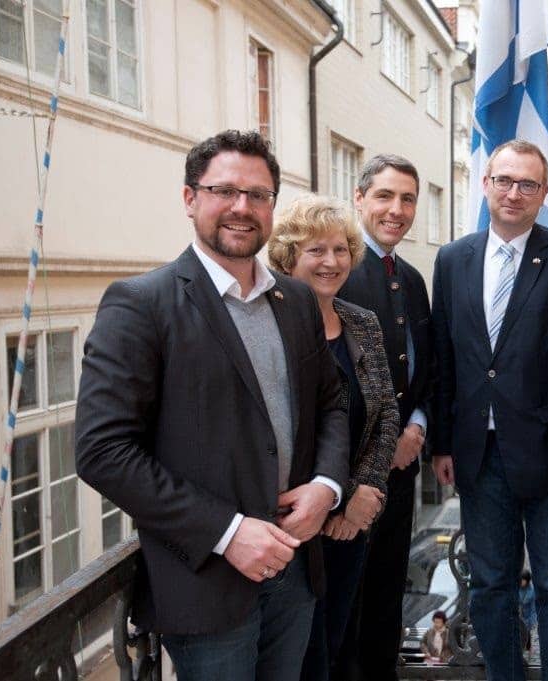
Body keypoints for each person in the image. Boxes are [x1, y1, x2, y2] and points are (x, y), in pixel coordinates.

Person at [74, 130, 350, 681]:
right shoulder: (141, 304)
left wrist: (327, 486)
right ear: (189, 198)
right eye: (224, 190)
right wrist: (227, 532)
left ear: (273, 205)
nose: (242, 208)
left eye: (258, 194)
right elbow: (102, 451)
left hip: (294, 570)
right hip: (207, 583)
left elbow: (333, 401)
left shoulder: (294, 299)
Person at [430, 139, 548, 681]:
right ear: (485, 184)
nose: (513, 192)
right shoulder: (453, 259)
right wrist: (441, 443)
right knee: (490, 587)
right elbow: (444, 357)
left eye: (527, 184)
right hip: (479, 456)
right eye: (503, 180)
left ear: (544, 194)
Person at [266, 195, 399, 681]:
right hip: (287, 526)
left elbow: (386, 413)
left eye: (341, 249)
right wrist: (316, 503)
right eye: (315, 250)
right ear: (286, 256)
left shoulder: (362, 322)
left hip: (349, 525)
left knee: (340, 648)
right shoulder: (266, 321)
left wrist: (365, 489)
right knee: (298, 661)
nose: (331, 261)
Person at [335, 154, 434, 681]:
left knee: (387, 600)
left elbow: (426, 364)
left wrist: (417, 423)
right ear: (359, 198)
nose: (396, 210)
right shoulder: (338, 273)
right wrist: (387, 440)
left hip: (403, 472)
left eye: (408, 199)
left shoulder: (412, 279)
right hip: (349, 480)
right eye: (385, 196)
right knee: (347, 609)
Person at [517, 570, 536, 652]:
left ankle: (528, 646)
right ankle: (520, 646)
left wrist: (533, 619)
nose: (522, 582)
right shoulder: (517, 589)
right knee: (519, 631)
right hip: (518, 613)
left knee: (527, 631)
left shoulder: (531, 592)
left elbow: (533, 607)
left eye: (523, 580)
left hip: (527, 615)